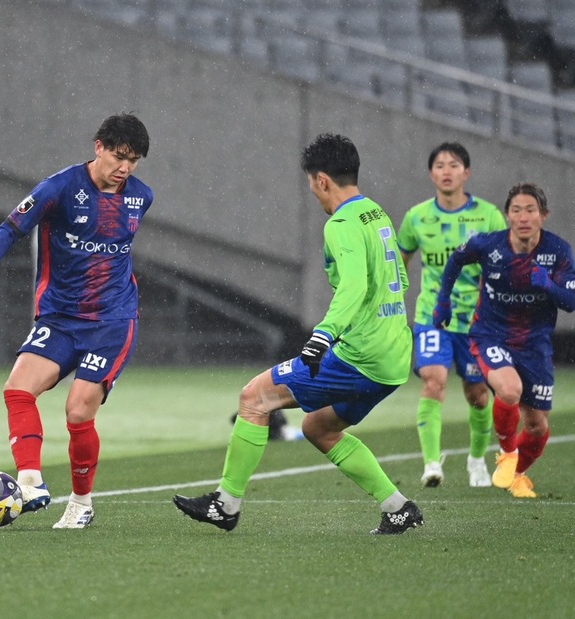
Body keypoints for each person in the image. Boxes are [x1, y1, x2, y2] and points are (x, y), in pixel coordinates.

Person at [174, 133, 423, 535]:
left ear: (322, 179)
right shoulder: (375, 213)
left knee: (254, 398)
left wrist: (324, 334)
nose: (313, 193)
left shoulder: (341, 223)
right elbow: (399, 282)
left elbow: (354, 285)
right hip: (393, 356)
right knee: (317, 428)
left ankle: (225, 504)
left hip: (362, 355)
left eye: (311, 183)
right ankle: (398, 508)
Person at [0, 113, 153, 529]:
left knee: (77, 412)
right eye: (119, 156)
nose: (125, 167)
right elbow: (9, 229)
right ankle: (30, 483)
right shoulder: (58, 188)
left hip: (112, 321)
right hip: (60, 317)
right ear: (98, 147)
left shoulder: (141, 197)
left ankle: (81, 503)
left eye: (133, 160)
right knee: (17, 390)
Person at [434, 182, 575, 498]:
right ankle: (508, 454)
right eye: (516, 210)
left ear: (543, 215)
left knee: (538, 427)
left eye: (530, 210)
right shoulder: (488, 245)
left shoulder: (558, 251)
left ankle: (517, 473)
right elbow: (456, 260)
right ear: (507, 215)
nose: (523, 217)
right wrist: (443, 300)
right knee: (509, 391)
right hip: (490, 335)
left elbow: (571, 301)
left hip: (535, 345)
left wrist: (549, 286)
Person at [397, 142, 506, 488]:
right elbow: (400, 264)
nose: (447, 171)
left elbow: (503, 265)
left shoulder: (488, 216)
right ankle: (432, 464)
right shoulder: (416, 218)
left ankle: (477, 460)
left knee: (478, 394)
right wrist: (393, 303)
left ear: (466, 173)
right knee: (433, 379)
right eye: (440, 165)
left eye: (454, 165)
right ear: (431, 174)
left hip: (475, 321)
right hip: (432, 317)